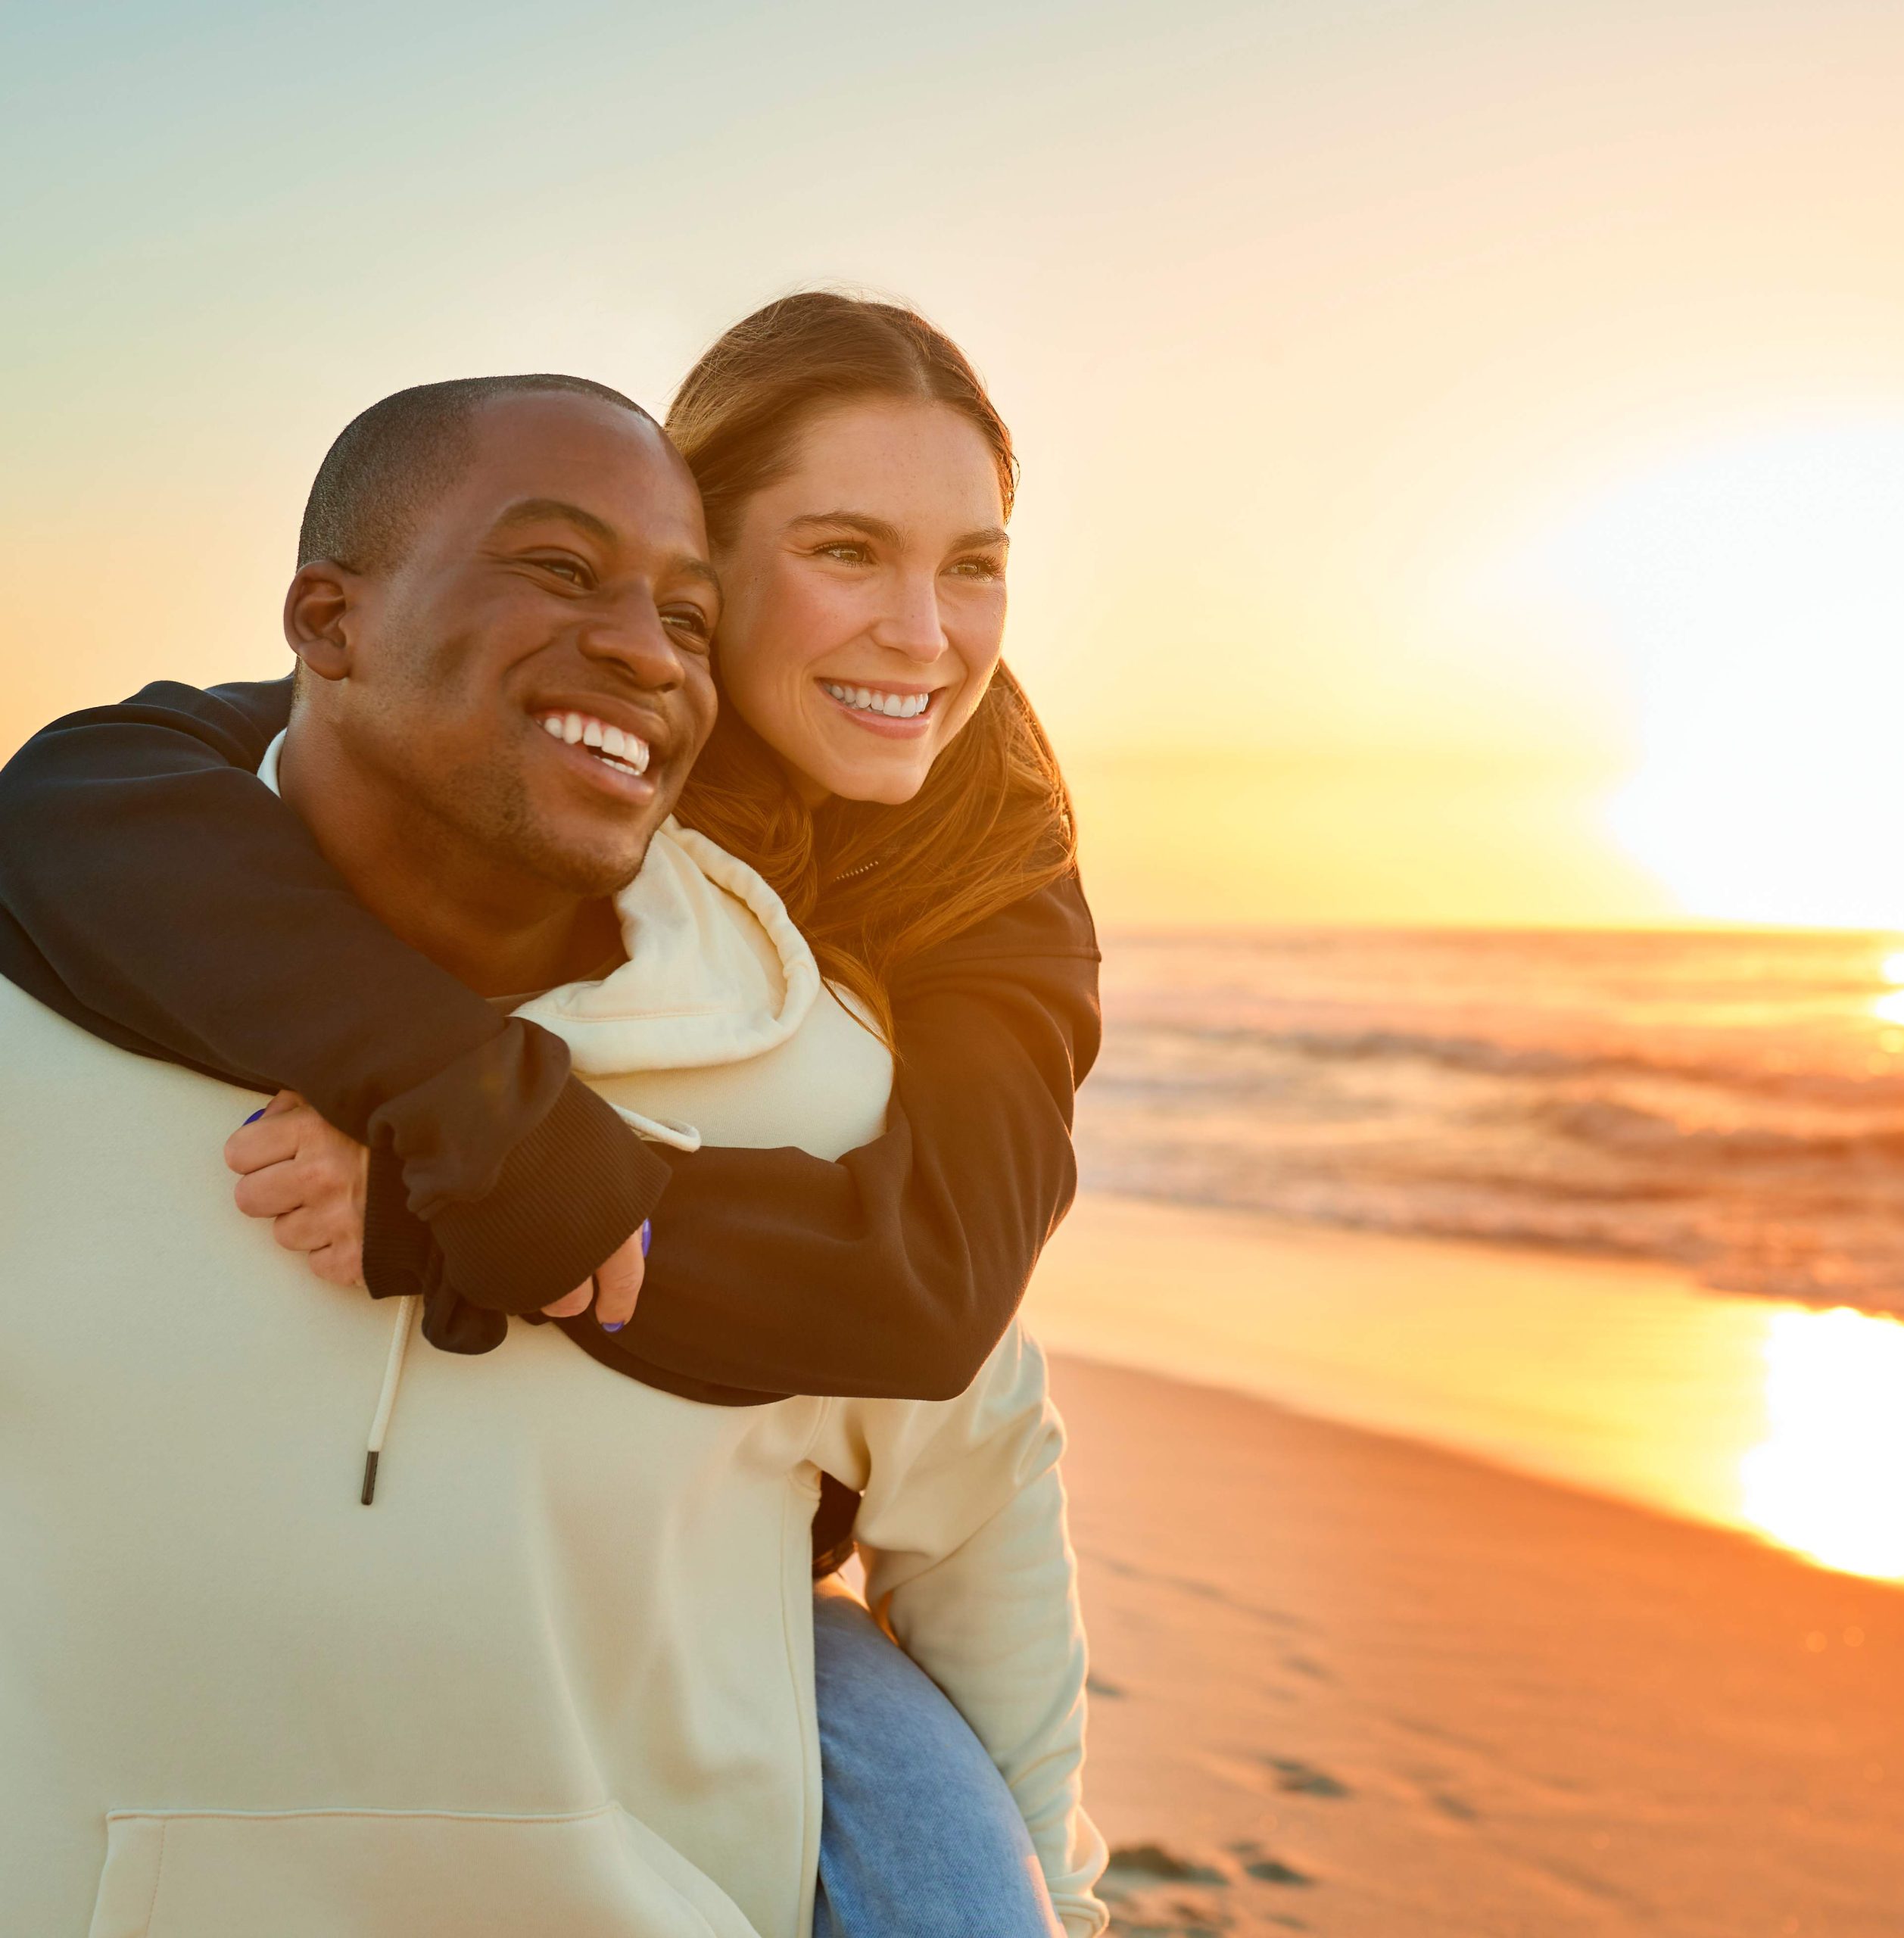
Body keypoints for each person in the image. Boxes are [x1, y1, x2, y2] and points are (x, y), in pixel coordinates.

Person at [0, 298, 1102, 1930]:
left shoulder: (990, 874)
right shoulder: (523, 717)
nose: (924, 635)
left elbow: (939, 1290)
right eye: (848, 551)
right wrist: (466, 1100)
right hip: (582, 1529)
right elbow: (91, 797)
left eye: (972, 564)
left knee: (944, 1854)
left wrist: (471, 1208)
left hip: (752, 1549)